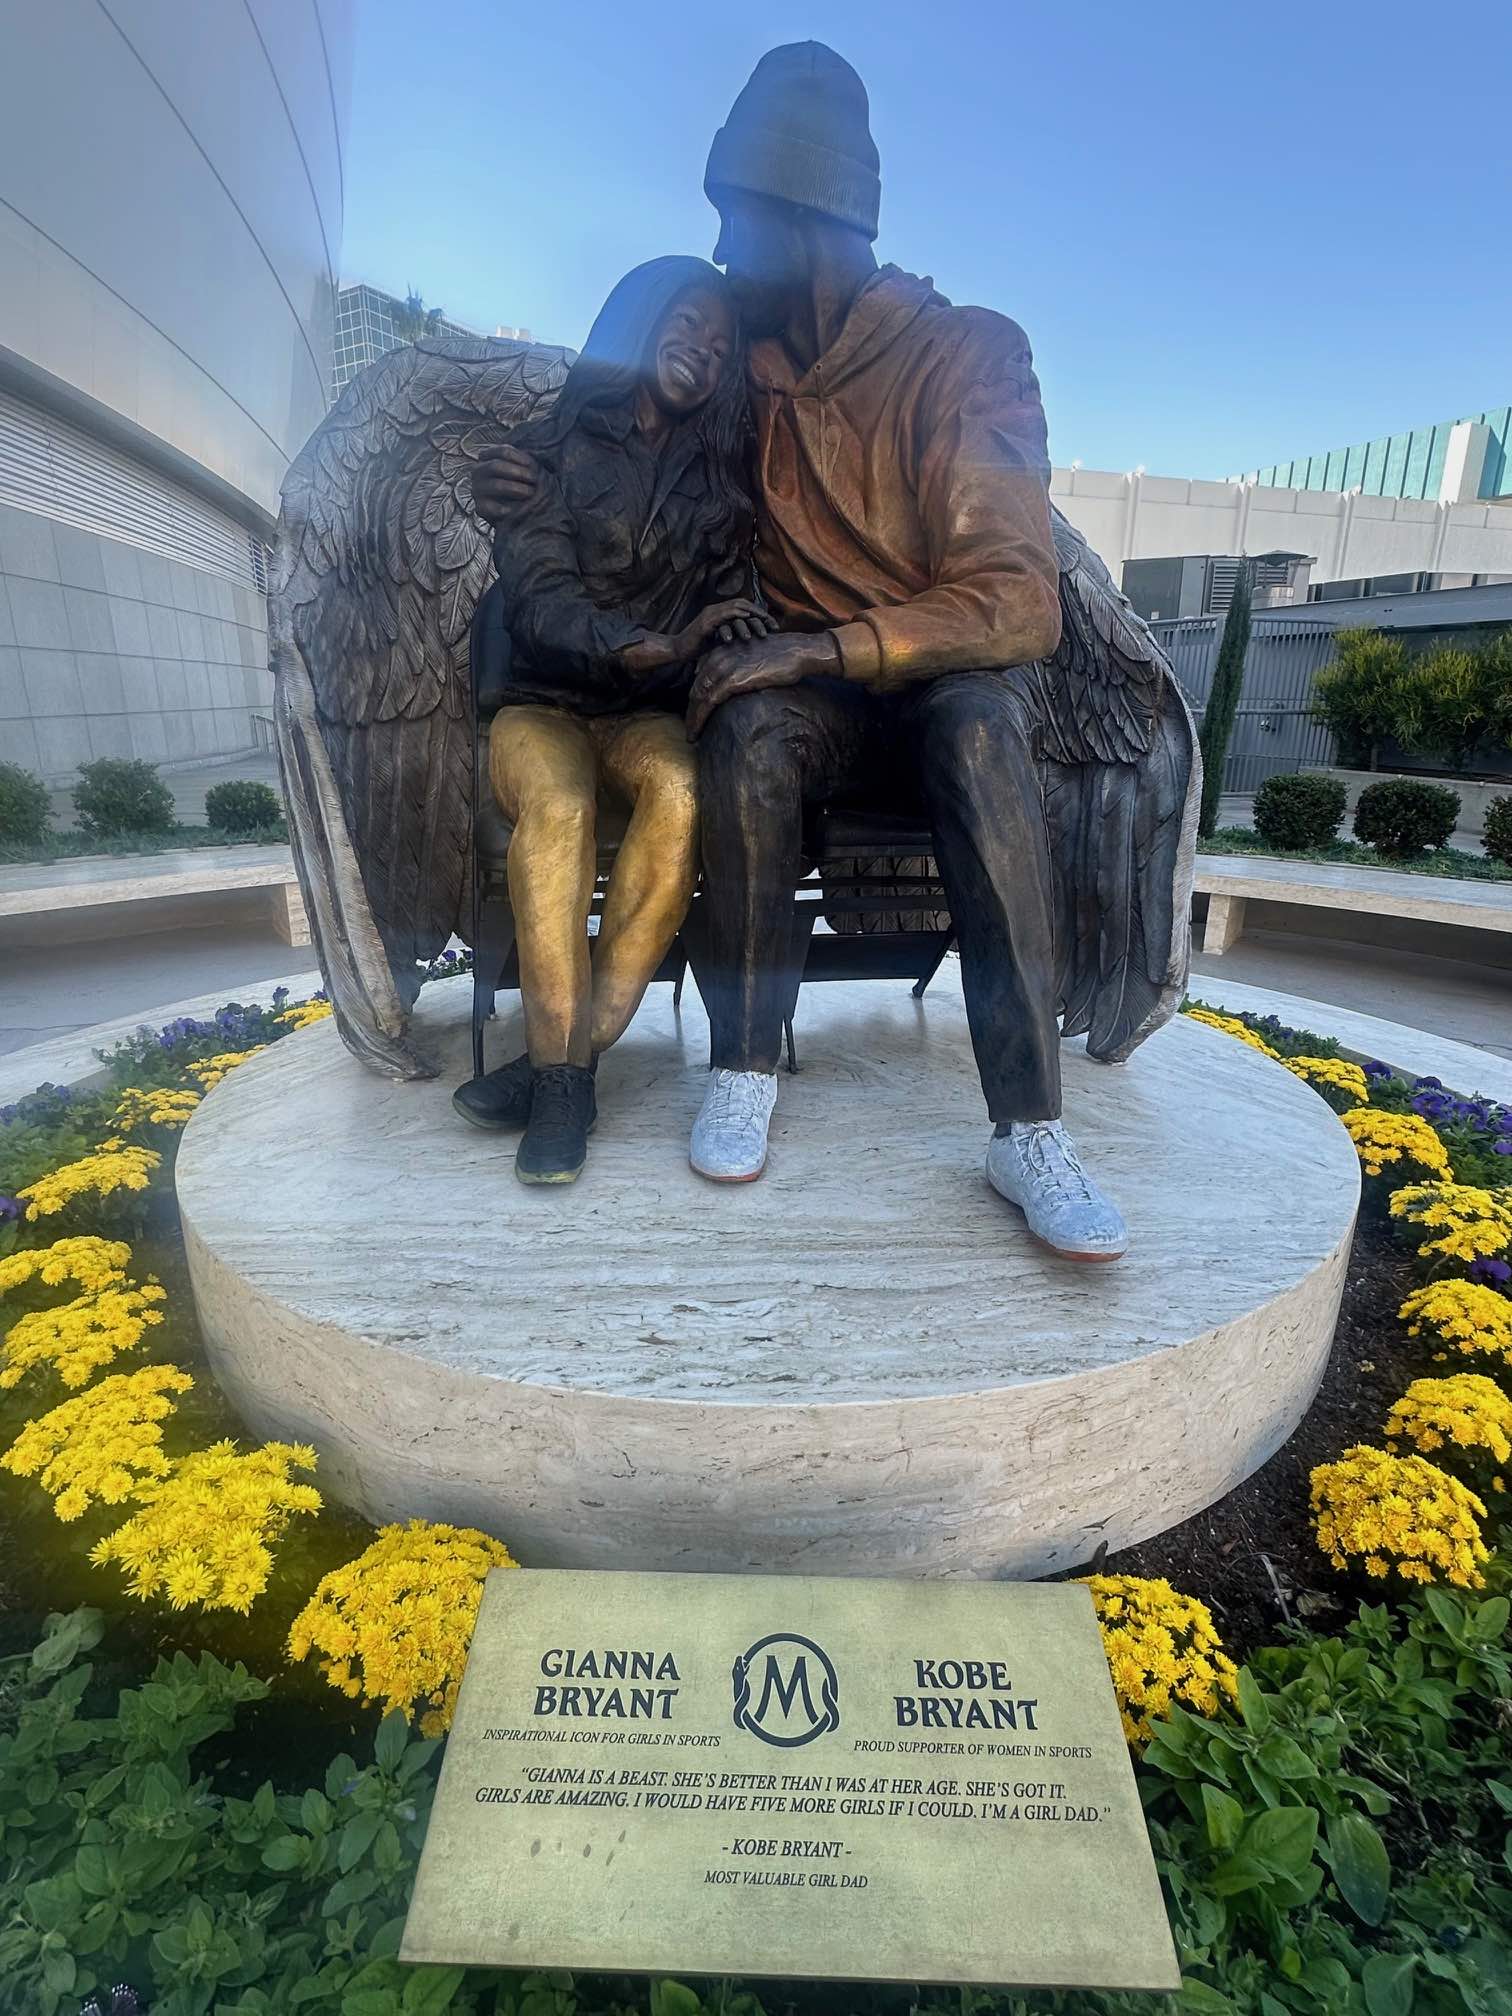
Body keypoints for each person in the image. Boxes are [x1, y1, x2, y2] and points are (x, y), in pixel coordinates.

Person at [473, 48, 1134, 1259]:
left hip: (937, 682)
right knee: (745, 727)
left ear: (801, 218)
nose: (722, 258)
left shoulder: (968, 353)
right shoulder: (747, 371)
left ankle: (1029, 1129)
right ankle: (744, 1063)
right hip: (804, 697)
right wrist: (519, 471)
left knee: (986, 732)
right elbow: (620, 415)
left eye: (735, 223)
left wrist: (819, 644)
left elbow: (1014, 601)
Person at [454, 256, 767, 1185]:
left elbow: (728, 604)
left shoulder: (721, 492)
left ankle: (560, 1068)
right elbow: (541, 601)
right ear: (640, 323)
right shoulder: (545, 450)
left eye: (720, 346)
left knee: (683, 789)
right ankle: (563, 1087)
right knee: (557, 805)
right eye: (686, 325)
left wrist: (729, 634)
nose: (701, 352)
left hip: (642, 716)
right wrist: (655, 645)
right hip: (540, 705)